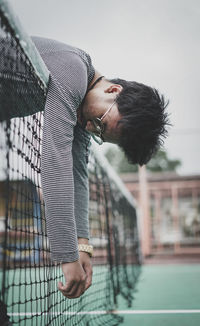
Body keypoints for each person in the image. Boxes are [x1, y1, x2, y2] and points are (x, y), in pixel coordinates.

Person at [32, 37, 169, 299]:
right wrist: (67, 255)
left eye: (100, 134)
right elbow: (55, 161)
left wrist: (83, 245)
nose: (90, 128)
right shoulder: (73, 73)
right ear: (113, 91)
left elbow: (78, 174)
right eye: (100, 122)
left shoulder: (82, 110)